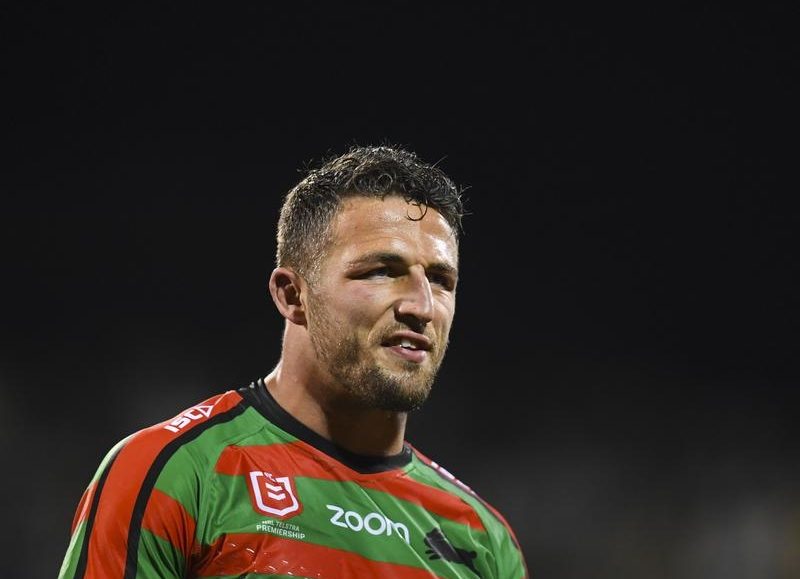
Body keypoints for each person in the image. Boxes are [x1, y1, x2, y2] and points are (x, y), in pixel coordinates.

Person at [58, 144, 529, 578]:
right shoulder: (175, 473)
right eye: (382, 271)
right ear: (292, 295)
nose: (422, 306)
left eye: (441, 280)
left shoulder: (482, 539)